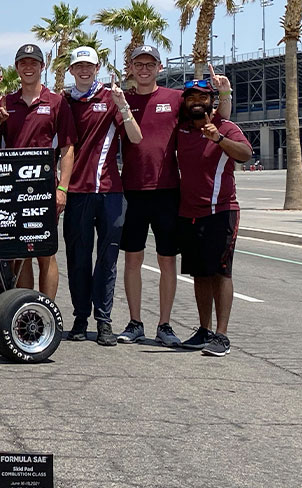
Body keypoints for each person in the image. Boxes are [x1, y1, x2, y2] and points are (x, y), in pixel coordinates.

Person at [118, 48, 233, 346]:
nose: (144, 69)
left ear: (160, 67)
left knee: (167, 260)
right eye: (139, 64)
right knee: (133, 258)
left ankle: (165, 325)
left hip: (168, 192)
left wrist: (224, 94)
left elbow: (215, 119)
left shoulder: (174, 98)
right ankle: (134, 322)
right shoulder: (122, 100)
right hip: (131, 190)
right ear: (130, 67)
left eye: (150, 64)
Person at [61, 46, 142, 345]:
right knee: (78, 258)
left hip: (110, 191)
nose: (84, 71)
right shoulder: (64, 102)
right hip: (78, 192)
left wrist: (123, 106)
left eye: (89, 66)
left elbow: (135, 137)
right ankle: (80, 318)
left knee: (106, 259)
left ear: (97, 68)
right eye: (78, 66)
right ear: (71, 70)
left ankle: (104, 321)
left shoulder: (111, 98)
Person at [0, 43, 76, 301]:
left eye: (33, 63)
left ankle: (48, 310)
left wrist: (63, 189)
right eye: (23, 63)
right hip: (13, 187)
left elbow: (68, 147)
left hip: (44, 188)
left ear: (42, 67)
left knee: (46, 251)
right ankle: (25, 307)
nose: (28, 67)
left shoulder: (57, 102)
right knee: (21, 251)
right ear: (17, 68)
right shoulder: (6, 102)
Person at [175, 80, 252, 357]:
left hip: (221, 211)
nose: (197, 101)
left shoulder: (225, 127)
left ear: (211, 100)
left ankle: (222, 335)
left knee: (221, 272)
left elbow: (245, 154)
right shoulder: (181, 129)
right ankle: (204, 330)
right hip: (189, 213)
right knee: (199, 273)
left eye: (203, 96)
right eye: (191, 96)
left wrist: (218, 138)